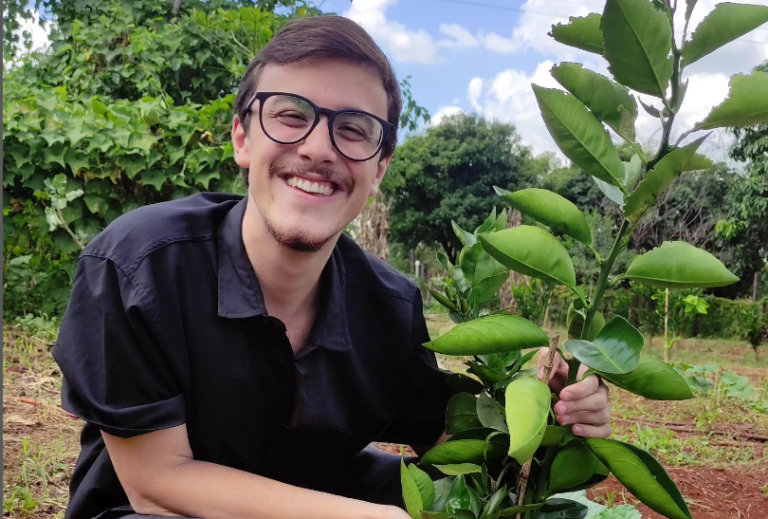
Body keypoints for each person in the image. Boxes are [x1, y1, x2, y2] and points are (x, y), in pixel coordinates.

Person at [52, 15, 611, 519]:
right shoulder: (139, 268)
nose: (320, 148)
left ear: (379, 169)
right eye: (291, 115)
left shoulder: (388, 307)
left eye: (353, 129)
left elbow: (451, 446)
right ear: (243, 138)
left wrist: (554, 421)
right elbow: (156, 482)